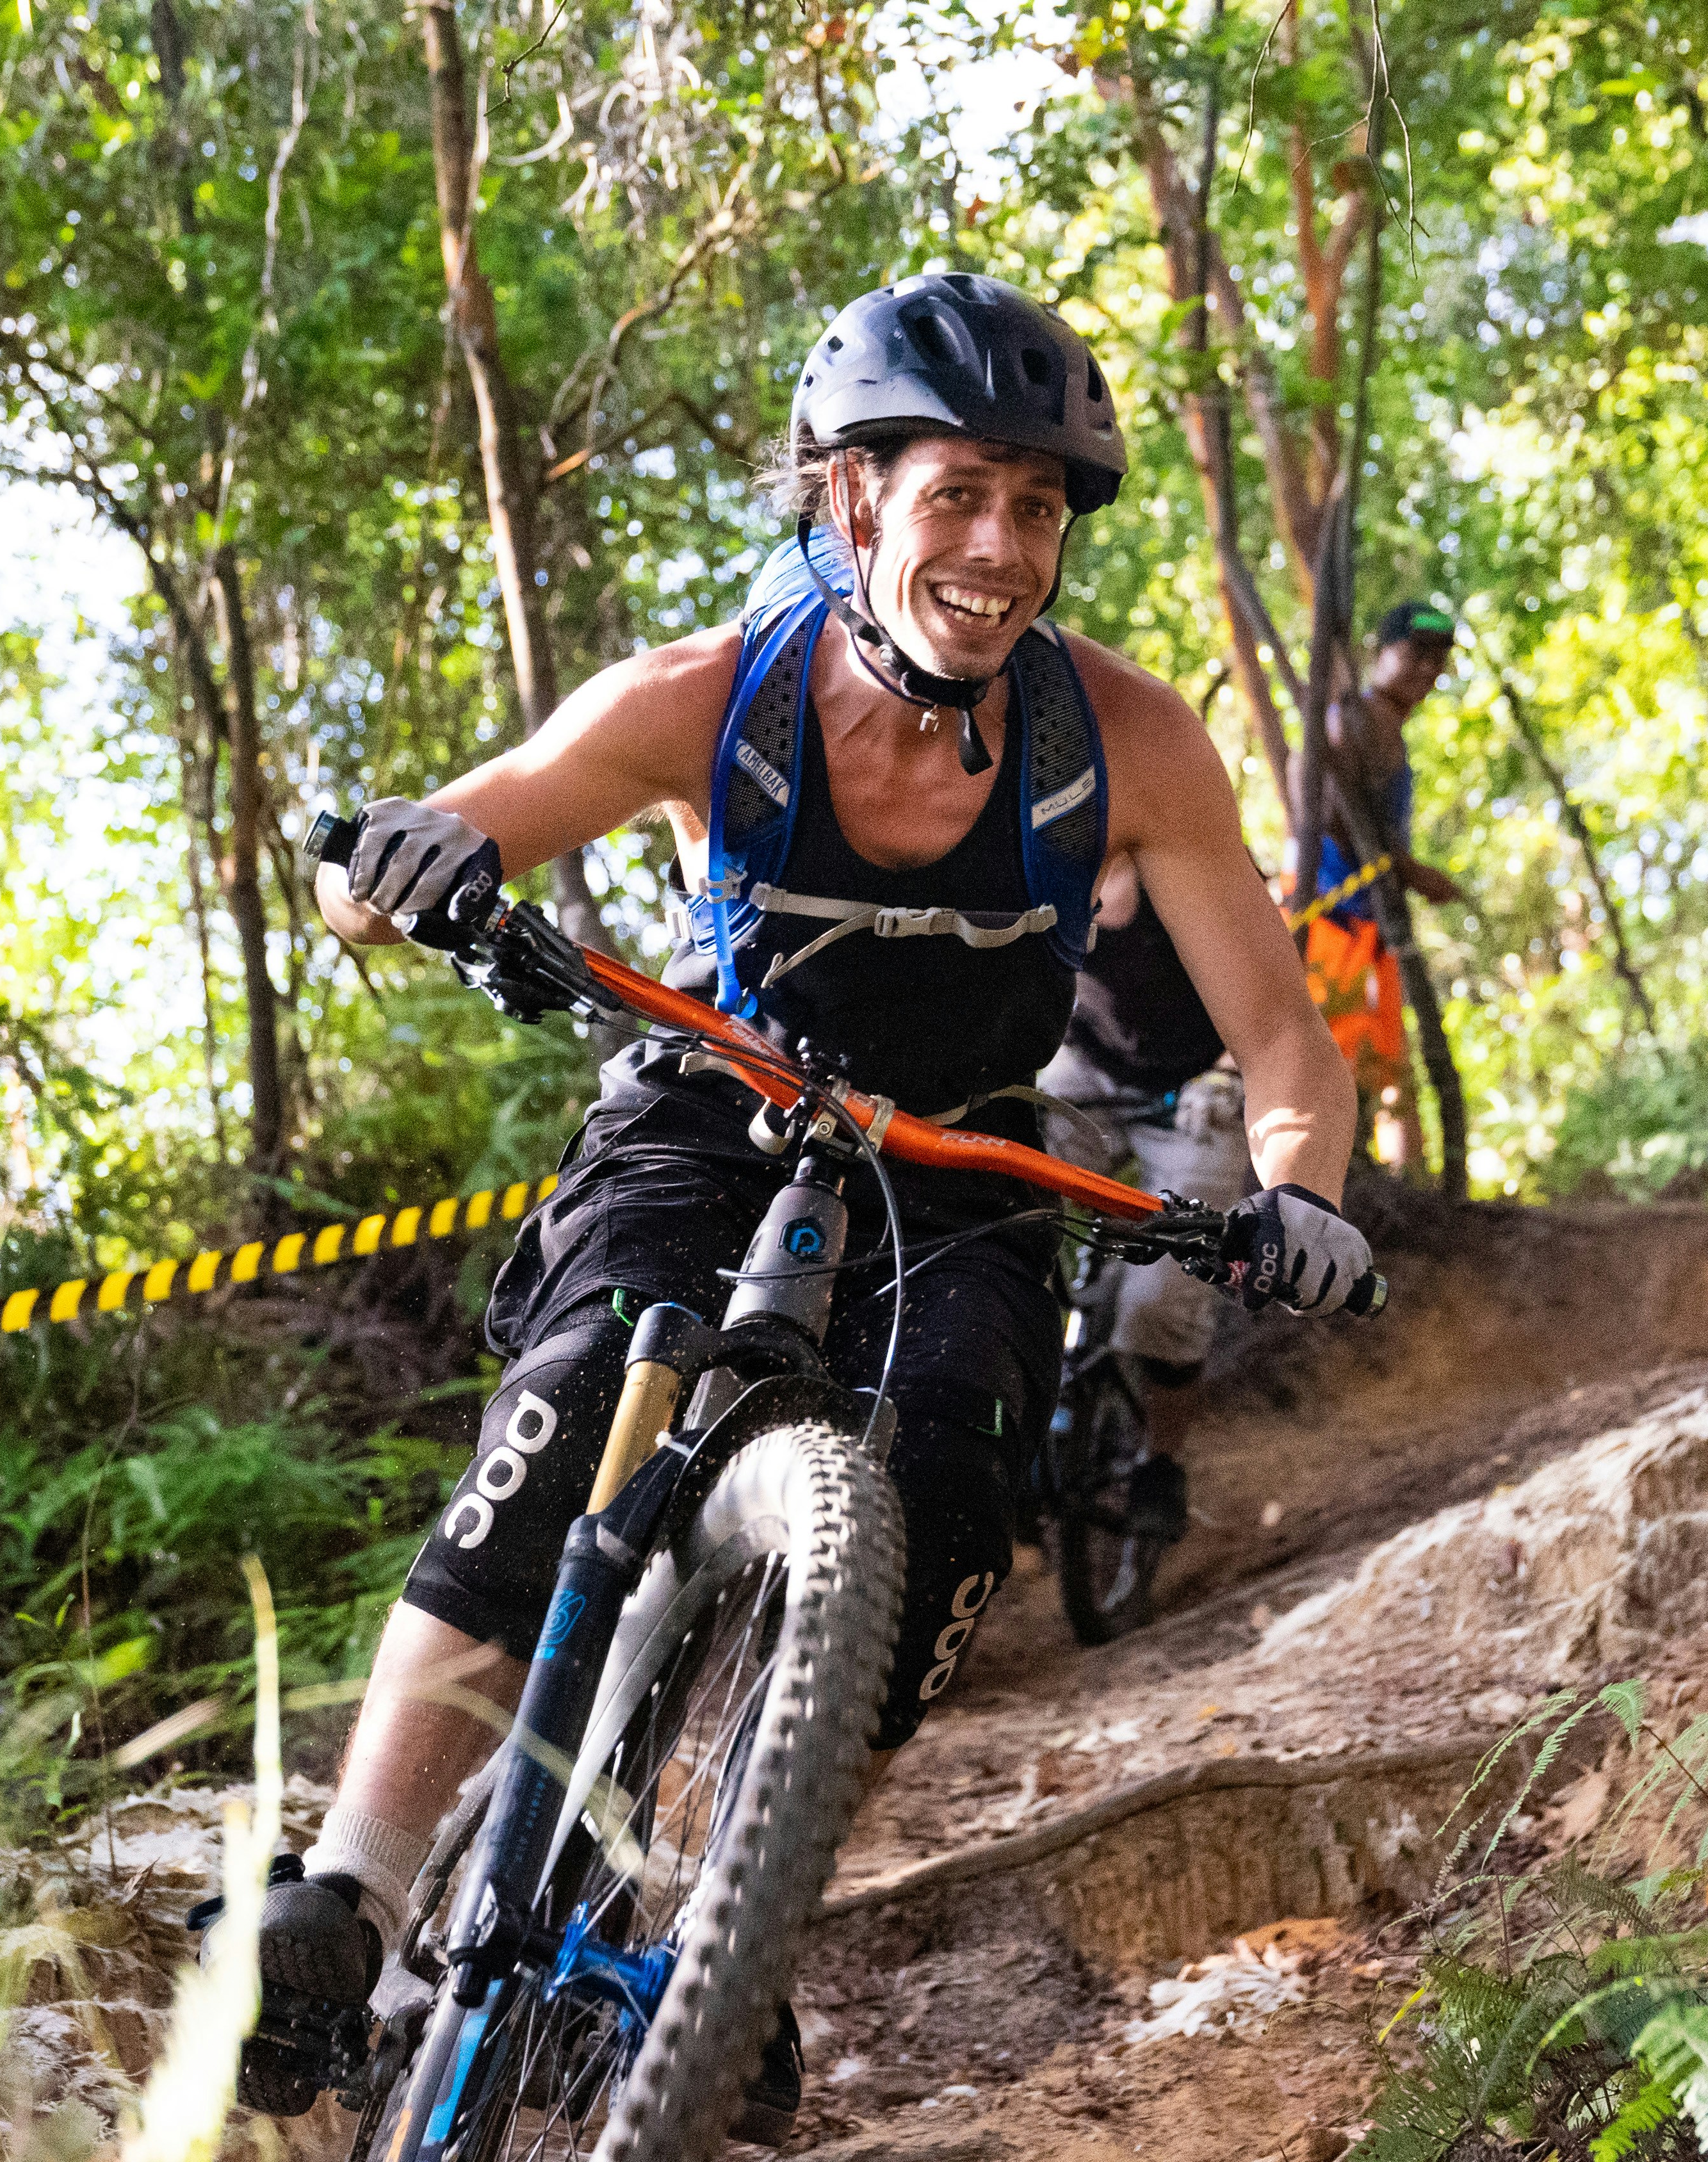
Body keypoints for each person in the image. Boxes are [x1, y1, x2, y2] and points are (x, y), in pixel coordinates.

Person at [266, 272, 1368, 2126]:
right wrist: (406, 868)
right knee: (565, 1421)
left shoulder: (1128, 743)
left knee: (943, 1490)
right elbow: (433, 852)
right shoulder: (709, 699)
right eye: (959, 495)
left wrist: (1300, 1194)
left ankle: (723, 1921)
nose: (1003, 549)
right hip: (717, 1112)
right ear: (854, 497)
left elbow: (1286, 1045)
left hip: (967, 1159)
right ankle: (348, 1898)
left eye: (1038, 509)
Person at [1037, 854, 1253, 1541]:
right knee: (996, 1214)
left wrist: (1225, 1072)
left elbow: (1264, 980)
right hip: (1085, 1075)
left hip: (1197, 1092)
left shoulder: (1185, 845)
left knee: (1161, 1301)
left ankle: (1161, 1462)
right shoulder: (1037, 850)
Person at [1301, 601, 1470, 1175]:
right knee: (1329, 1070)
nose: (1429, 670)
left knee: (1382, 1072)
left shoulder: (1386, 727)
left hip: (1370, 930)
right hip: (1332, 925)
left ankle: (1380, 1187)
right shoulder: (1357, 717)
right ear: (1380, 652)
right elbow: (1332, 814)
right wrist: (1410, 871)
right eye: (1416, 654)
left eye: (1439, 660)